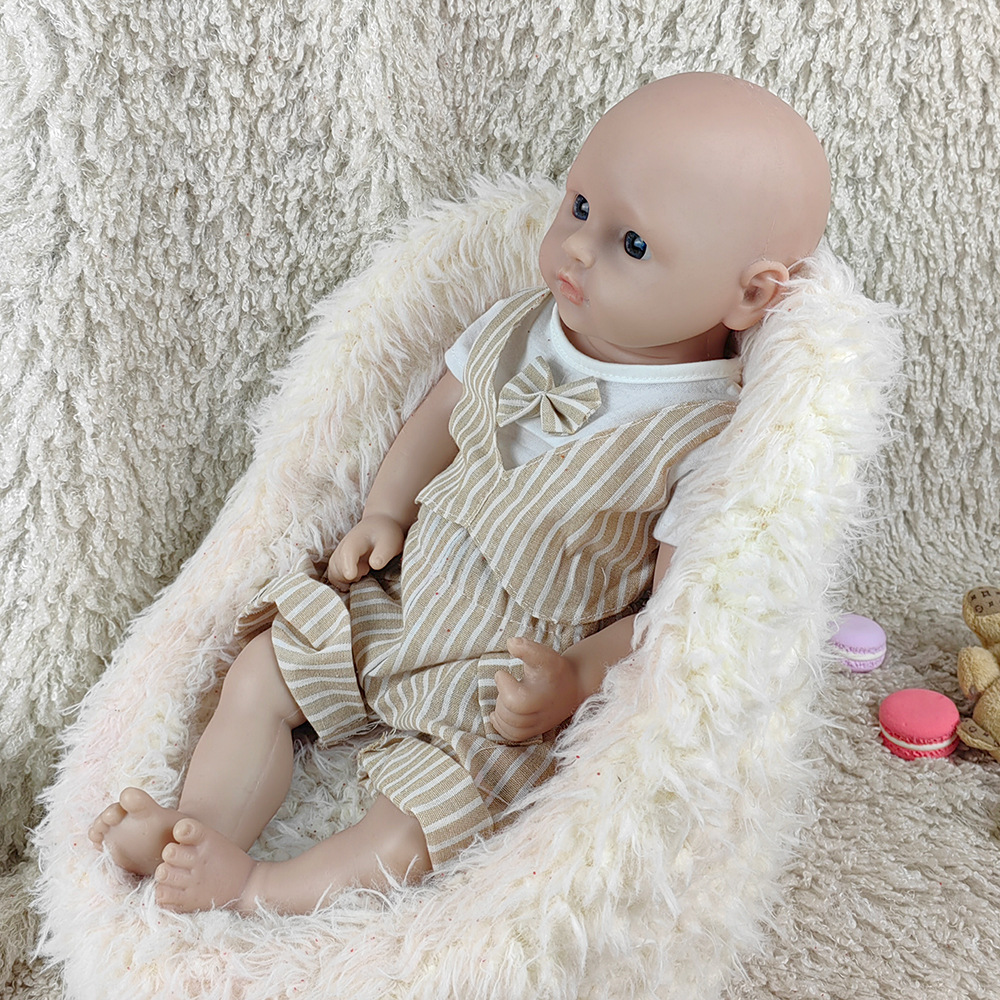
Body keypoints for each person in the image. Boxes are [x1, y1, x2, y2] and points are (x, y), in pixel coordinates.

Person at [89, 71, 831, 914]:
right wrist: (386, 510)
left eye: (632, 244)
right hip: (407, 596)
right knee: (262, 673)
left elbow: (676, 607)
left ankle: (260, 888)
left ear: (751, 294)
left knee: (425, 823)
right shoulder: (520, 325)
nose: (577, 247)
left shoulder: (707, 436)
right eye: (580, 205)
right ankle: (197, 829)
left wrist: (573, 678)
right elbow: (437, 417)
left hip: (508, 670)